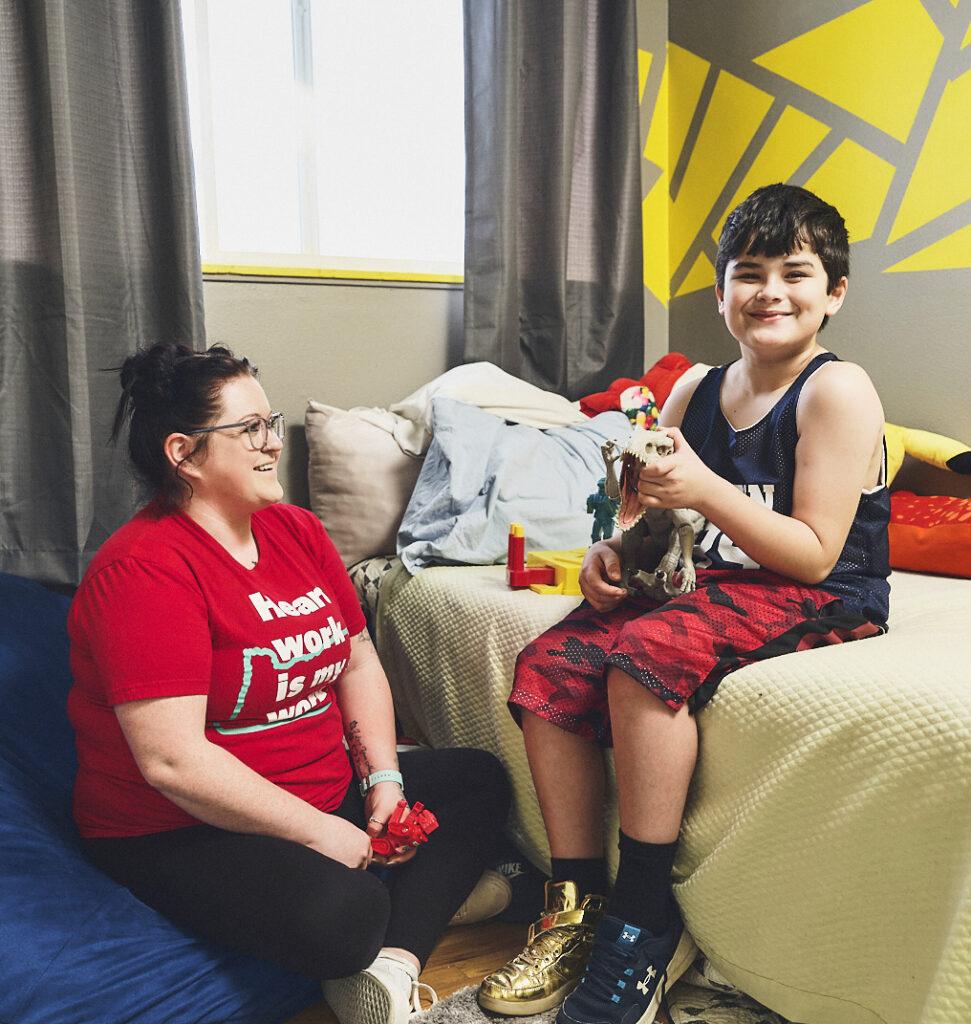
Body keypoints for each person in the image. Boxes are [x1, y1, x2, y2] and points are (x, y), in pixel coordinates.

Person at [478, 184, 890, 1024]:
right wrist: (612, 553)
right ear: (720, 291)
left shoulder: (835, 390)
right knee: (550, 662)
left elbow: (813, 554)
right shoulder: (694, 389)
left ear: (833, 294)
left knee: (645, 659)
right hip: (715, 582)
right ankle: (575, 902)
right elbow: (654, 521)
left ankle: (640, 914)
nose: (770, 291)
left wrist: (704, 488)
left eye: (795, 274)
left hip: (820, 590)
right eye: (749, 273)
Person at [68, 342, 510, 1024]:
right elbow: (172, 762)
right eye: (250, 429)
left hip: (319, 789)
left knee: (480, 779)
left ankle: (393, 968)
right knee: (344, 915)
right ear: (184, 454)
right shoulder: (144, 572)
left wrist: (384, 783)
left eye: (269, 422)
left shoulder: (297, 531)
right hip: (185, 828)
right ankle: (416, 906)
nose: (274, 443)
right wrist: (319, 834)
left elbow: (356, 659)